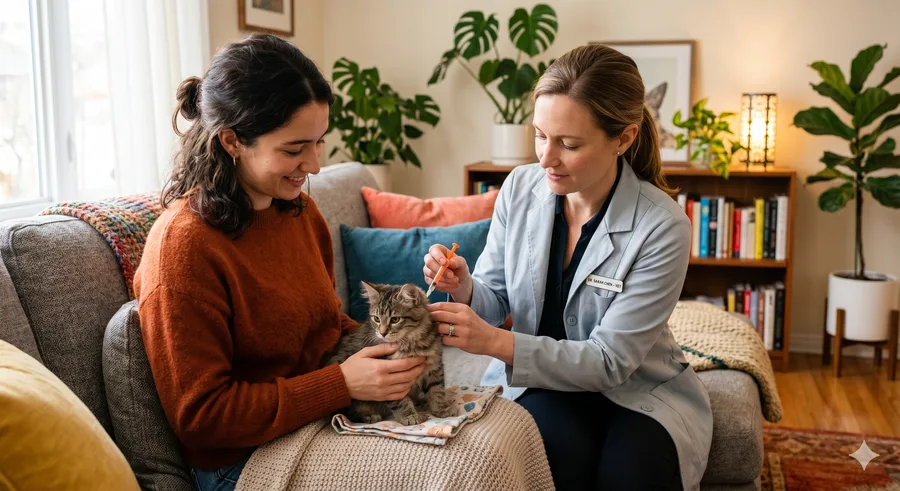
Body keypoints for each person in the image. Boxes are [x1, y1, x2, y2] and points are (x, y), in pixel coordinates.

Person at [134, 34, 428, 491]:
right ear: (232, 141)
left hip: (321, 421)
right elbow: (202, 417)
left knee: (490, 440)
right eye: (294, 149)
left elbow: (325, 328)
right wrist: (340, 385)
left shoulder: (298, 212)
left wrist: (404, 342)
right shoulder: (183, 248)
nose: (313, 164)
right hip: (243, 462)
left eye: (318, 143)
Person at [424, 43, 713, 491]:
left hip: (635, 392)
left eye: (569, 144)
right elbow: (495, 298)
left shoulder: (663, 225)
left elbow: (610, 361)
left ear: (624, 138)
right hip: (542, 385)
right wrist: (464, 287)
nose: (545, 158)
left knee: (629, 476)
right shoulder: (520, 189)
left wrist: (497, 341)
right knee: (553, 461)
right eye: (540, 135)